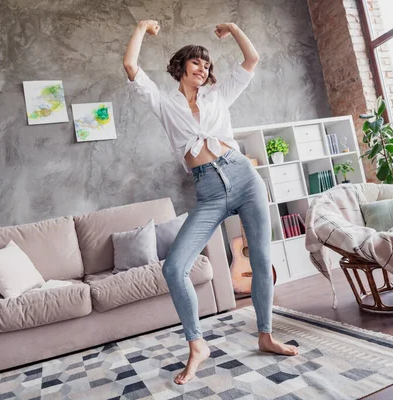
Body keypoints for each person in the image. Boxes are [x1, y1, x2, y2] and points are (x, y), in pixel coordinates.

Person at [123, 20, 298, 385]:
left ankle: (265, 335)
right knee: (174, 268)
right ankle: (196, 344)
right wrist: (141, 28)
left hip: (244, 179)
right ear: (181, 67)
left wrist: (233, 28)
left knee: (262, 261)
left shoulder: (219, 95)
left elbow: (252, 58)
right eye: (197, 63)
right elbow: (130, 67)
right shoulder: (164, 102)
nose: (204, 69)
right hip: (208, 192)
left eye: (207, 65)